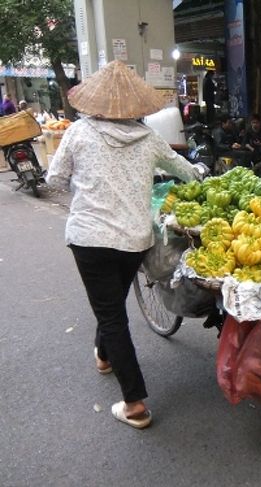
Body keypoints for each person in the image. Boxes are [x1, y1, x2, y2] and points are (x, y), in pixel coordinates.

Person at [45, 60, 205, 430]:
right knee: (112, 305)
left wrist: (84, 184)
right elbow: (186, 169)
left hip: (90, 239)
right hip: (134, 240)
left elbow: (54, 179)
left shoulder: (78, 133)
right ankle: (103, 355)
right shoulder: (148, 138)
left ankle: (134, 402)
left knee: (111, 314)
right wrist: (202, 174)